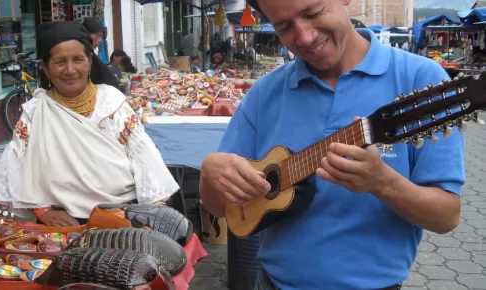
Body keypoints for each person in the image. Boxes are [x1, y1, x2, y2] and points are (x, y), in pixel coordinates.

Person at [199, 0, 465, 289]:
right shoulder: (265, 93)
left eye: (312, 13)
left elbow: (446, 216)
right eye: (284, 27)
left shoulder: (420, 80)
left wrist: (383, 182)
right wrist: (210, 172)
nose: (305, 37)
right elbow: (222, 209)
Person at [0, 20, 179, 227]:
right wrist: (43, 212)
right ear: (45, 68)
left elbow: (145, 161)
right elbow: (15, 168)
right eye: (60, 62)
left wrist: (149, 216)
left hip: (120, 216)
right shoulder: (34, 113)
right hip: (62, 224)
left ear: (90, 61)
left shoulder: (113, 105)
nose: (70, 70)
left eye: (78, 59)